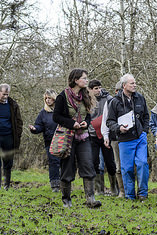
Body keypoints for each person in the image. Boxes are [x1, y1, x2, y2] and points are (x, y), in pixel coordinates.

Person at [52, 68, 100, 208]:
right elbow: (56, 117)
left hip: (83, 137)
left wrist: (87, 122)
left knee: (88, 166)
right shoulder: (63, 96)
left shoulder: (86, 95)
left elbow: (89, 114)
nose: (86, 80)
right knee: (67, 168)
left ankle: (90, 199)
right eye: (84, 78)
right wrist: (72, 123)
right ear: (75, 80)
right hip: (67, 137)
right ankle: (66, 199)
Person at [106, 74, 150, 200]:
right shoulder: (115, 102)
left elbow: (146, 116)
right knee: (128, 168)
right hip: (125, 139)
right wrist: (119, 128)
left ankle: (143, 193)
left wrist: (144, 131)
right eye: (131, 83)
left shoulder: (140, 98)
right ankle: (130, 195)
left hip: (140, 137)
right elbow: (109, 121)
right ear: (124, 85)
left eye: (135, 83)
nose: (134, 85)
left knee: (142, 163)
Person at [88, 79, 117, 196]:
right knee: (95, 162)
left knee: (110, 162)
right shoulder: (86, 100)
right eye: (96, 88)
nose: (98, 90)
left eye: (100, 87)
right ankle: (99, 189)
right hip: (92, 136)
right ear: (90, 90)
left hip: (106, 135)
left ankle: (114, 188)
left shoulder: (108, 99)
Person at [28, 89, 61, 192]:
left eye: (49, 98)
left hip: (62, 139)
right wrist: (34, 129)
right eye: (46, 98)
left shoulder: (61, 110)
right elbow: (39, 125)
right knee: (53, 162)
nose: (47, 100)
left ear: (54, 99)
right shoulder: (43, 113)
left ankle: (65, 183)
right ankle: (55, 185)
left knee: (64, 162)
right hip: (49, 141)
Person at [101, 80, 124, 197]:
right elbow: (106, 121)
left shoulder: (133, 100)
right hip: (115, 137)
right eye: (120, 91)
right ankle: (121, 191)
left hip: (130, 138)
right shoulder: (110, 102)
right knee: (118, 165)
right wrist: (106, 136)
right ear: (116, 91)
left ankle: (133, 190)